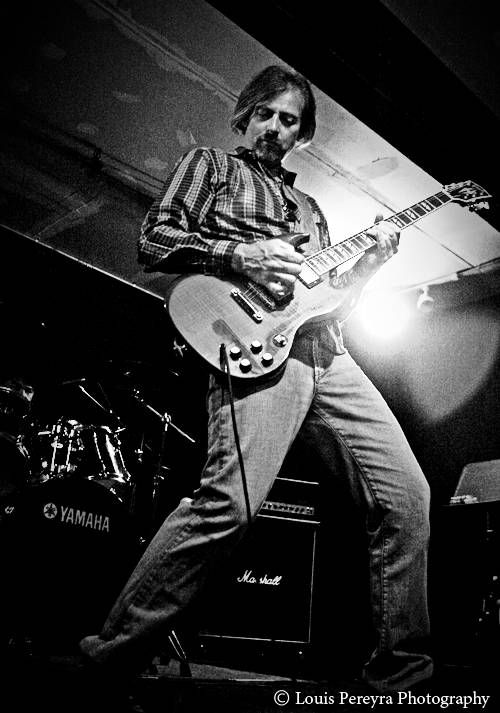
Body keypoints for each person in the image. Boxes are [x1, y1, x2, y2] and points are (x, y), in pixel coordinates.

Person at [80, 65, 433, 693]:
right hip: (255, 344)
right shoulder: (212, 165)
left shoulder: (311, 210)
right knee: (230, 505)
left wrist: (369, 267)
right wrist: (240, 253)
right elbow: (154, 239)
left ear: (302, 134)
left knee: (408, 499)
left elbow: (331, 303)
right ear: (246, 116)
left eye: (288, 120)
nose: (274, 127)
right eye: (265, 114)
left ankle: (402, 682)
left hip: (327, 352)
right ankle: (109, 659)